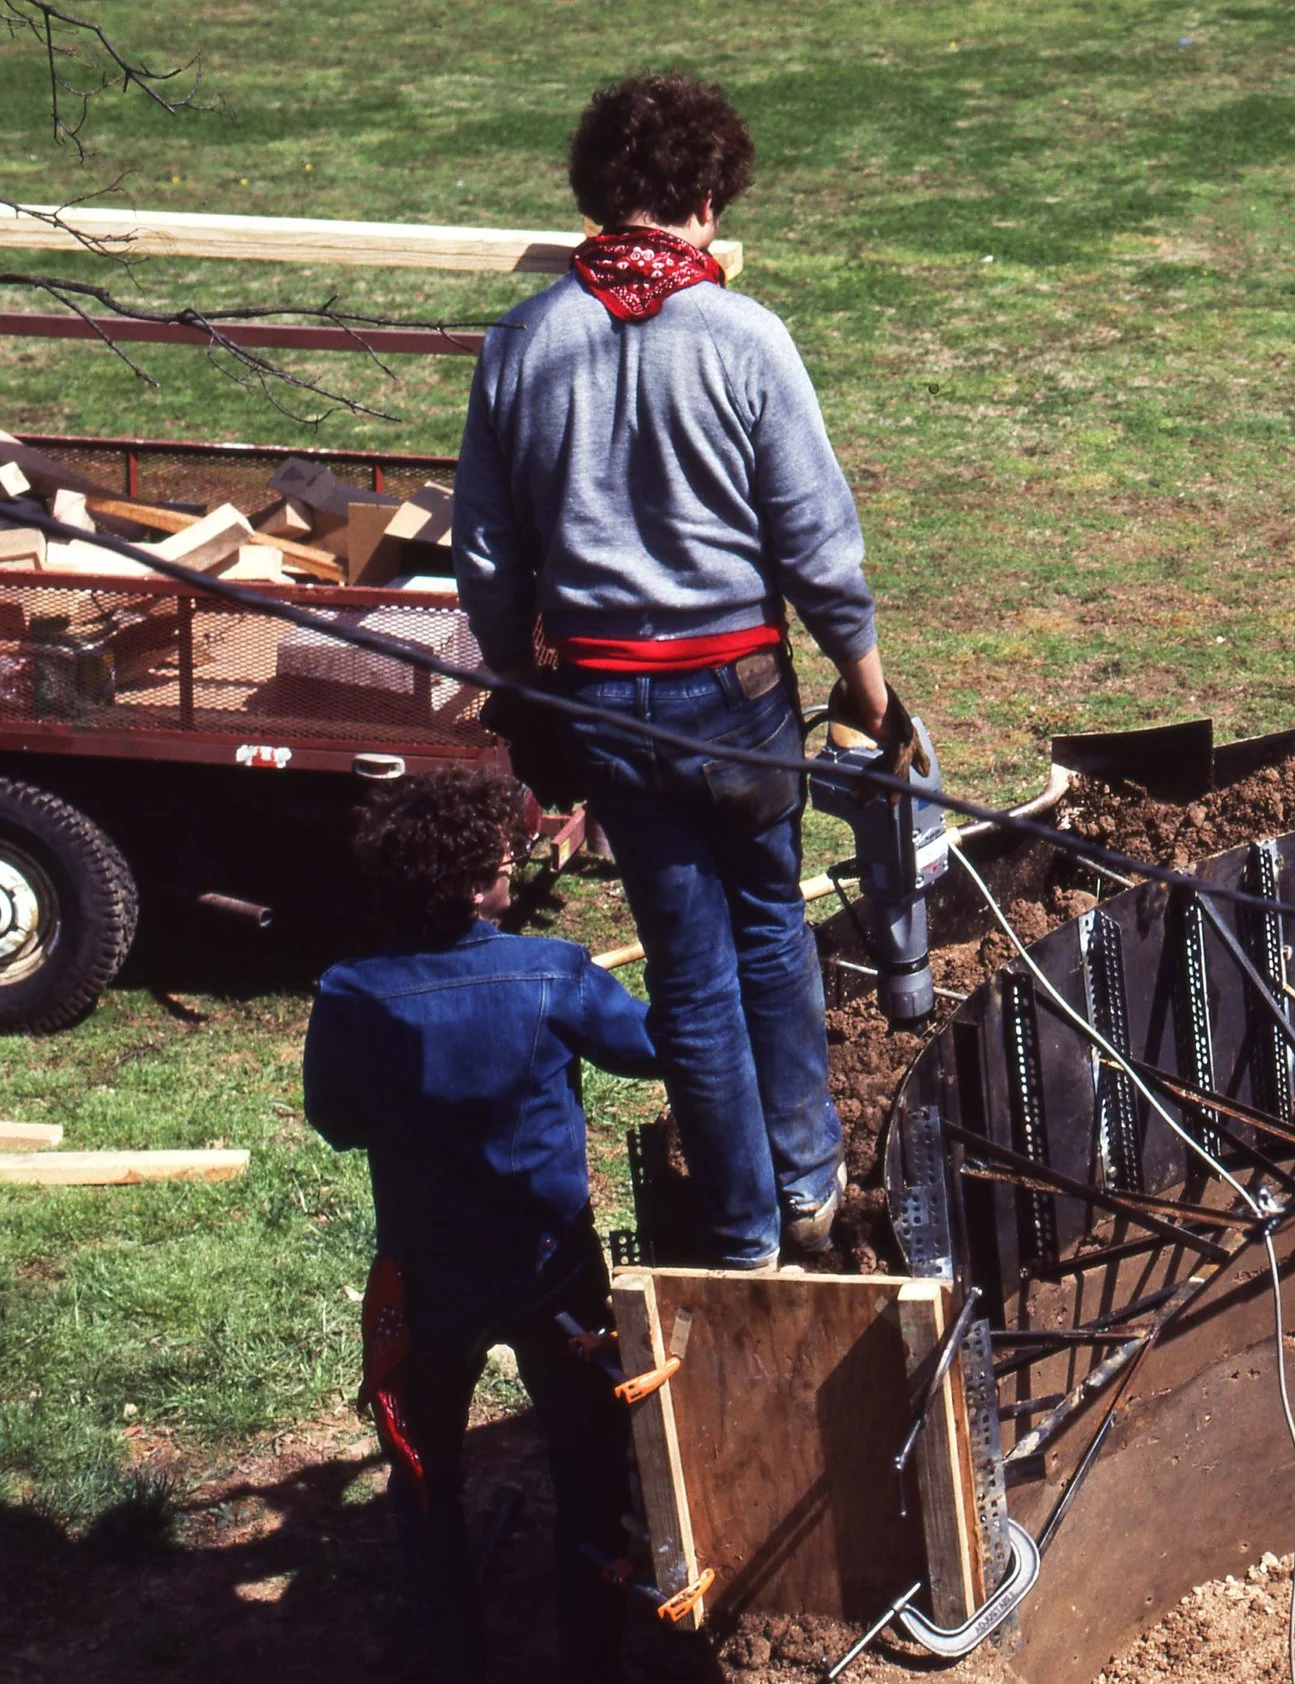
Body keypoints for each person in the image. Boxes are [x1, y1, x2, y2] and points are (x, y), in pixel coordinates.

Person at [454, 73, 884, 1269]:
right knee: (773, 938)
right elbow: (815, 539)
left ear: (600, 195)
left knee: (688, 976)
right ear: (704, 197)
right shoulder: (745, 338)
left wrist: (518, 684)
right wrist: (863, 673)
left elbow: (487, 557)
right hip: (737, 699)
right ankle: (808, 1185)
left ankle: (740, 1234)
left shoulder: (524, 343)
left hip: (599, 703)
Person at [303, 768, 660, 1684]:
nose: (518, 867)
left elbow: (337, 1123)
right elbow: (654, 1049)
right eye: (505, 863)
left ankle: (449, 1653)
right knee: (588, 1463)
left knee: (426, 1474)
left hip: (428, 1272)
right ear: (472, 889)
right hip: (551, 1267)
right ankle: (593, 1655)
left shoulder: (348, 993)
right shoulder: (552, 971)